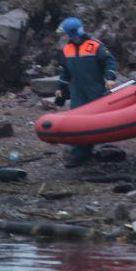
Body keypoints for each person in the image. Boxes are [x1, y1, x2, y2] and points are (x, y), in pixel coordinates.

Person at [54, 17, 118, 166]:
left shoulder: (95, 46)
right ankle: (81, 154)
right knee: (77, 122)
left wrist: (110, 78)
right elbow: (65, 71)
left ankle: (97, 148)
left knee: (96, 122)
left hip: (95, 91)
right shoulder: (67, 49)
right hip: (77, 92)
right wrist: (60, 87)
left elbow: (110, 61)